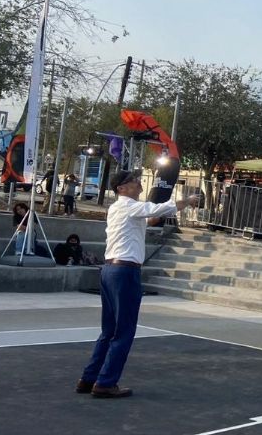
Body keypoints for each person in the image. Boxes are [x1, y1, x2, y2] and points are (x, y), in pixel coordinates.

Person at [76, 170, 199, 398]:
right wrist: (187, 201)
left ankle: (89, 377)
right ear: (121, 189)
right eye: (132, 182)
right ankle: (105, 382)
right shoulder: (128, 205)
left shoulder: (118, 209)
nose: (137, 183)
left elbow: (150, 218)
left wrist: (167, 210)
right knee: (124, 331)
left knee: (108, 330)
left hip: (110, 269)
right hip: (125, 271)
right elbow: (156, 209)